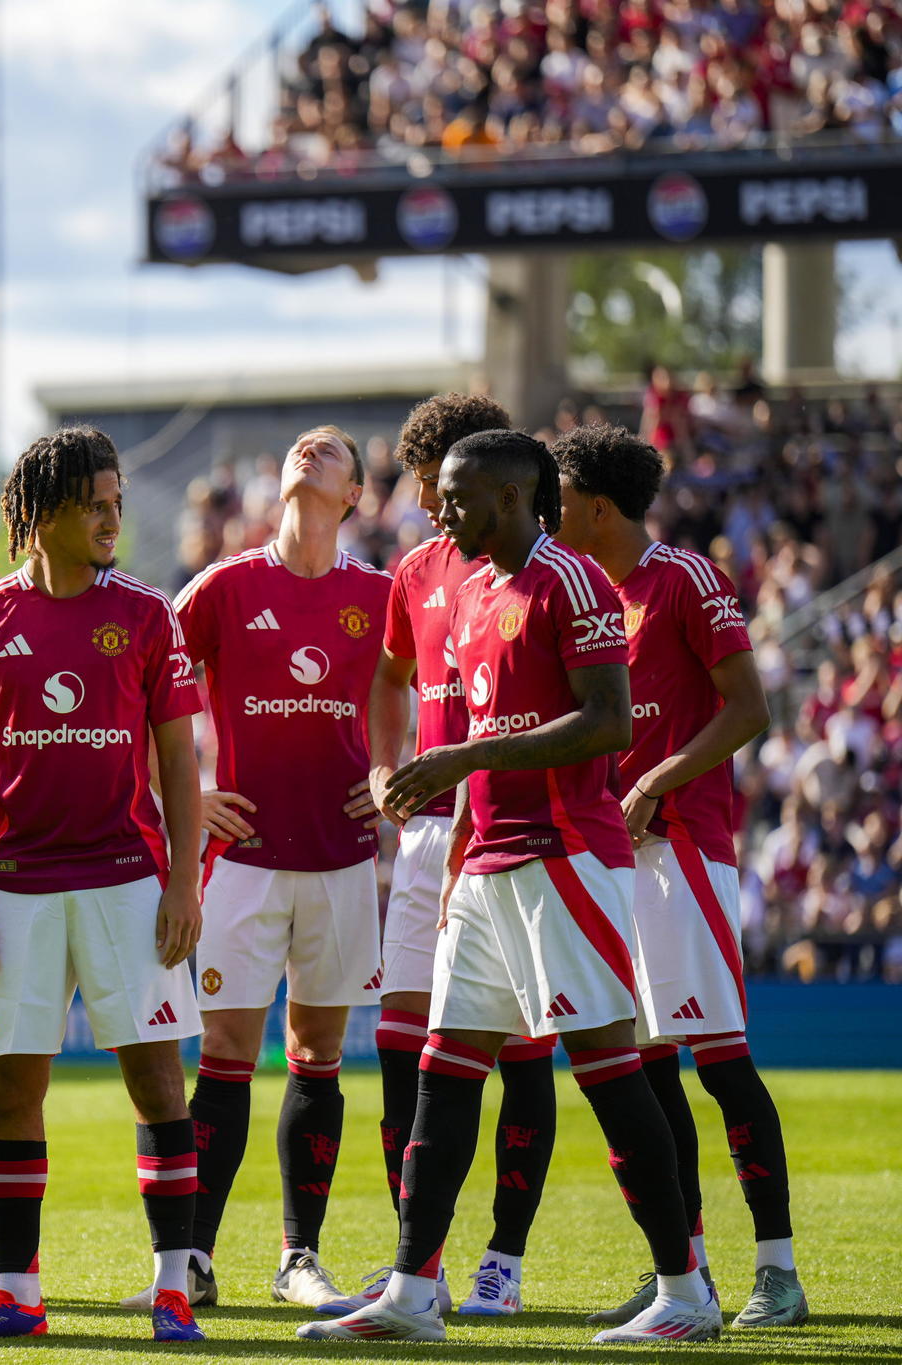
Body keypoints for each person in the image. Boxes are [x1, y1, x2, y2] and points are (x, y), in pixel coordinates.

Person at [303, 429, 716, 1346]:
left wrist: (466, 754)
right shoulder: (474, 590)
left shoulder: (569, 581)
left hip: (567, 858)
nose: (440, 512)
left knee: (609, 1068)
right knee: (444, 1078)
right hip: (485, 862)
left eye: (457, 497)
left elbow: (608, 722)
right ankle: (413, 1292)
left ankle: (685, 1289)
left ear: (510, 496)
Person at [0, 426, 207, 1343]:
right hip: (16, 889)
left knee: (158, 1079)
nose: (112, 519)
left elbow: (179, 762)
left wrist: (184, 886)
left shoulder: (149, 614)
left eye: (117, 503)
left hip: (129, 881)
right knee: (12, 1089)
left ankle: (172, 1288)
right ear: (42, 513)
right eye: (96, 503)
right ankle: (17, 1291)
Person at [124, 427, 389, 1313]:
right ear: (281, 479)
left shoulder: (382, 597)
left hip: (343, 858)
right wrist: (188, 793)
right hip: (240, 863)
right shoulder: (223, 589)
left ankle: (299, 1256)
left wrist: (398, 775)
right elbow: (135, 689)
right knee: (228, 1054)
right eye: (301, 446)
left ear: (353, 494)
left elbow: (453, 682)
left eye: (333, 452)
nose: (311, 449)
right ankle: (192, 1258)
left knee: (316, 1055)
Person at [552, 423, 807, 1330]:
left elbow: (751, 707)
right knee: (650, 1071)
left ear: (598, 503)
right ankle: (683, 1272)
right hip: (611, 856)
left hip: (684, 850)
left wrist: (659, 779)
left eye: (562, 492)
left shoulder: (686, 578)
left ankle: (777, 1270)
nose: (551, 508)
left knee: (724, 1065)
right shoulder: (578, 594)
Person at [357, 393, 559, 1319]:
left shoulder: (526, 569)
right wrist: (386, 766)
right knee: (405, 1046)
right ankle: (420, 1262)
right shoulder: (414, 572)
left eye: (443, 485)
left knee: (520, 1053)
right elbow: (391, 677)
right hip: (430, 829)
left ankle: (503, 1263)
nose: (431, 503)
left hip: (511, 829)